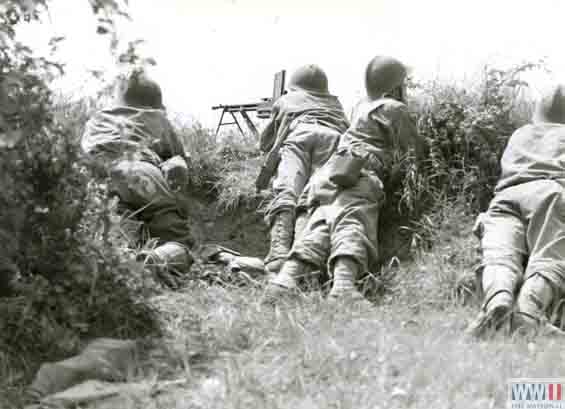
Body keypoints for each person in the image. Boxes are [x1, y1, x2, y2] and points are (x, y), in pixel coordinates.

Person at [263, 56, 423, 304]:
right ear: (395, 87)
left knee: (322, 225)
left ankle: (285, 281)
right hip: (359, 174)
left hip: (327, 175)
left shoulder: (360, 107)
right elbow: (416, 152)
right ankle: (343, 288)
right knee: (353, 221)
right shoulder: (393, 109)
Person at [467, 84, 565, 338]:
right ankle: (529, 311)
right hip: (550, 193)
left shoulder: (520, 134)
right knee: (549, 255)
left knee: (500, 255)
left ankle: (498, 299)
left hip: (505, 198)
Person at [81, 69, 194, 287]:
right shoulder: (158, 119)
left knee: (116, 231)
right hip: (142, 169)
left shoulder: (97, 119)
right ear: (156, 104)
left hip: (102, 175)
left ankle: (121, 261)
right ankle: (157, 259)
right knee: (179, 241)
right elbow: (179, 159)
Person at [258, 65, 349, 275]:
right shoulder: (335, 103)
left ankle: (278, 252)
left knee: (287, 188)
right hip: (333, 140)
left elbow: (265, 142)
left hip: (299, 136)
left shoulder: (286, 100)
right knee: (314, 197)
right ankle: (301, 256)